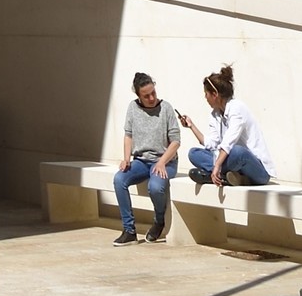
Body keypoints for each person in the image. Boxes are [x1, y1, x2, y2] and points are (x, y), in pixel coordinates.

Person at [113, 70, 181, 244]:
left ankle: (159, 221)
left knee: (155, 187)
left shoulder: (166, 108)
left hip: (166, 161)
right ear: (138, 96)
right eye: (146, 96)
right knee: (119, 179)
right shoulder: (132, 108)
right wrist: (126, 158)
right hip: (141, 161)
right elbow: (128, 135)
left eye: (153, 93)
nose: (151, 98)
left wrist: (162, 162)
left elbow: (175, 142)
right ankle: (129, 230)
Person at [180, 65, 274, 187]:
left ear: (215, 94)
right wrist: (191, 125)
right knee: (194, 153)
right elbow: (212, 144)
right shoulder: (215, 114)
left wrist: (217, 165)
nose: (205, 98)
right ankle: (231, 178)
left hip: (257, 170)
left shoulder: (237, 108)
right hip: (232, 165)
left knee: (237, 151)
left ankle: (211, 175)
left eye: (206, 94)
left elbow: (229, 142)